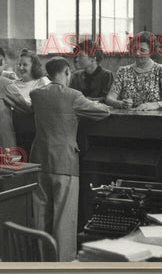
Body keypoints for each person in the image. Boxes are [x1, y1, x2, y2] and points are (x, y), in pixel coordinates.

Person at [30, 57, 110, 261]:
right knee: (64, 221)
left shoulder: (36, 94)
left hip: (39, 161)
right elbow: (103, 112)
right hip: (65, 161)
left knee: (41, 218)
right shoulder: (74, 96)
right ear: (67, 73)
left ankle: (41, 263)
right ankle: (63, 265)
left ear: (49, 74)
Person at [106, 31, 162, 111]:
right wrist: (121, 103)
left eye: (142, 50)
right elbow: (109, 98)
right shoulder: (123, 71)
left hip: (154, 119)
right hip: (128, 118)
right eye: (135, 49)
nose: (137, 53)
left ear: (151, 51)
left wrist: (155, 105)